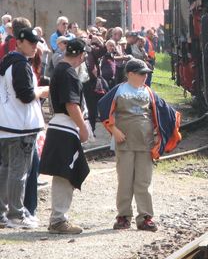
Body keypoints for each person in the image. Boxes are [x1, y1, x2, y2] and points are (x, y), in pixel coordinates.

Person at [99, 59, 182, 232]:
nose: (145, 76)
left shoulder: (148, 92)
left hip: (145, 144)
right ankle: (123, 216)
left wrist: (166, 131)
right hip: (125, 144)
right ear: (130, 74)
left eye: (146, 74)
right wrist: (114, 130)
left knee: (144, 181)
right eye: (141, 73)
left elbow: (164, 111)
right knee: (125, 181)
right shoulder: (119, 90)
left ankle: (145, 217)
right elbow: (104, 108)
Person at [39, 38, 91, 234]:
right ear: (81, 55)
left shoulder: (60, 70)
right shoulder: (68, 72)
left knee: (65, 173)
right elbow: (71, 104)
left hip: (60, 125)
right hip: (65, 127)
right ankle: (58, 220)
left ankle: (59, 218)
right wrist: (83, 128)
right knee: (65, 173)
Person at [0, 27, 48, 229]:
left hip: (7, 124)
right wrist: (43, 90)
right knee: (18, 173)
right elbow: (26, 95)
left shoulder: (7, 62)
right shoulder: (20, 65)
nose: (34, 48)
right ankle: (16, 214)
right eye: (31, 43)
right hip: (20, 126)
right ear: (19, 42)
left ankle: (3, 212)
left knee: (6, 170)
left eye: (36, 44)